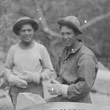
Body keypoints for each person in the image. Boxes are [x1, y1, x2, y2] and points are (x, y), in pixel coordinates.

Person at [4, 16, 56, 109]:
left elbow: (50, 71)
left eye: (29, 30)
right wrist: (12, 78)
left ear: (33, 31)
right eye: (23, 31)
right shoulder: (13, 49)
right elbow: (7, 68)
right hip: (16, 91)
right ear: (19, 32)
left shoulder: (41, 49)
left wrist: (35, 77)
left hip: (35, 91)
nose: (26, 33)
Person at [47, 16, 98, 103]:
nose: (65, 37)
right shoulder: (63, 52)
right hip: (63, 101)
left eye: (68, 33)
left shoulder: (85, 56)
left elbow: (85, 86)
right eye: (62, 34)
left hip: (79, 104)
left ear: (76, 34)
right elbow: (58, 74)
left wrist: (63, 89)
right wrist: (54, 85)